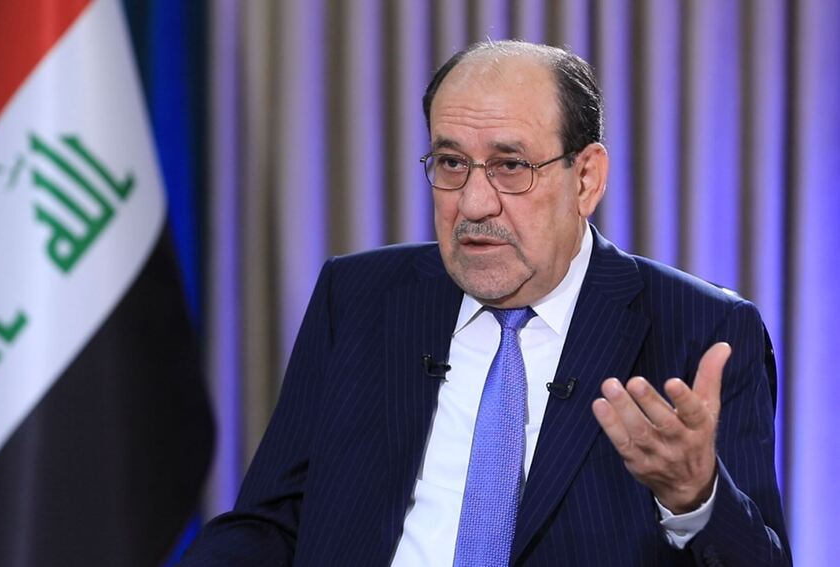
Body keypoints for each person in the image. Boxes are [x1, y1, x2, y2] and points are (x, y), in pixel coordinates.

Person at [181, 40, 790, 566]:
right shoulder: (360, 296)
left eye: (510, 166)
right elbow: (272, 521)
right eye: (451, 163)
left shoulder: (702, 330)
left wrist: (696, 499)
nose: (473, 203)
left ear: (585, 179)